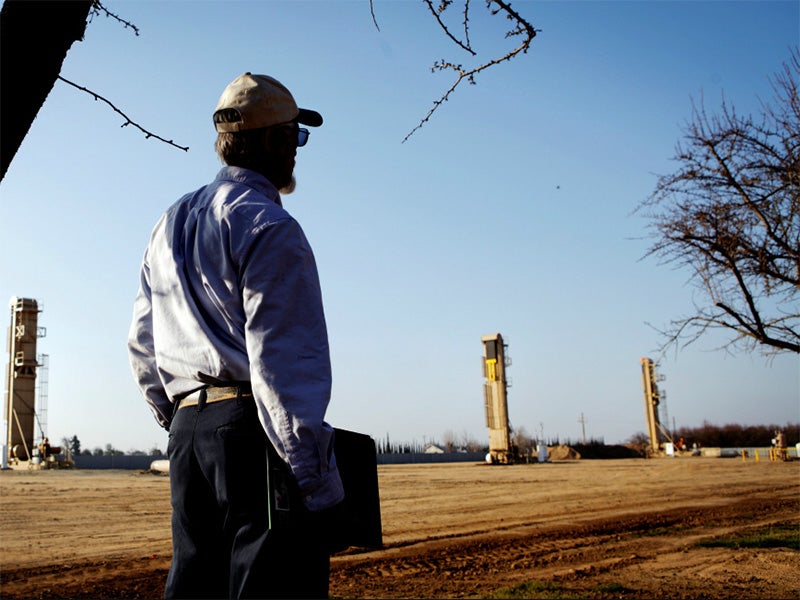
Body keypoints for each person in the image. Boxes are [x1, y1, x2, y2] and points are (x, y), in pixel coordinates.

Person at [127, 72, 344, 599]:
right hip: (253, 431)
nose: (297, 150)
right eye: (295, 136)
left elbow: (142, 341)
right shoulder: (269, 226)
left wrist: (183, 417)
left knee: (195, 584)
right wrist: (314, 483)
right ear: (271, 141)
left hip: (188, 431)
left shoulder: (171, 221)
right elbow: (283, 366)